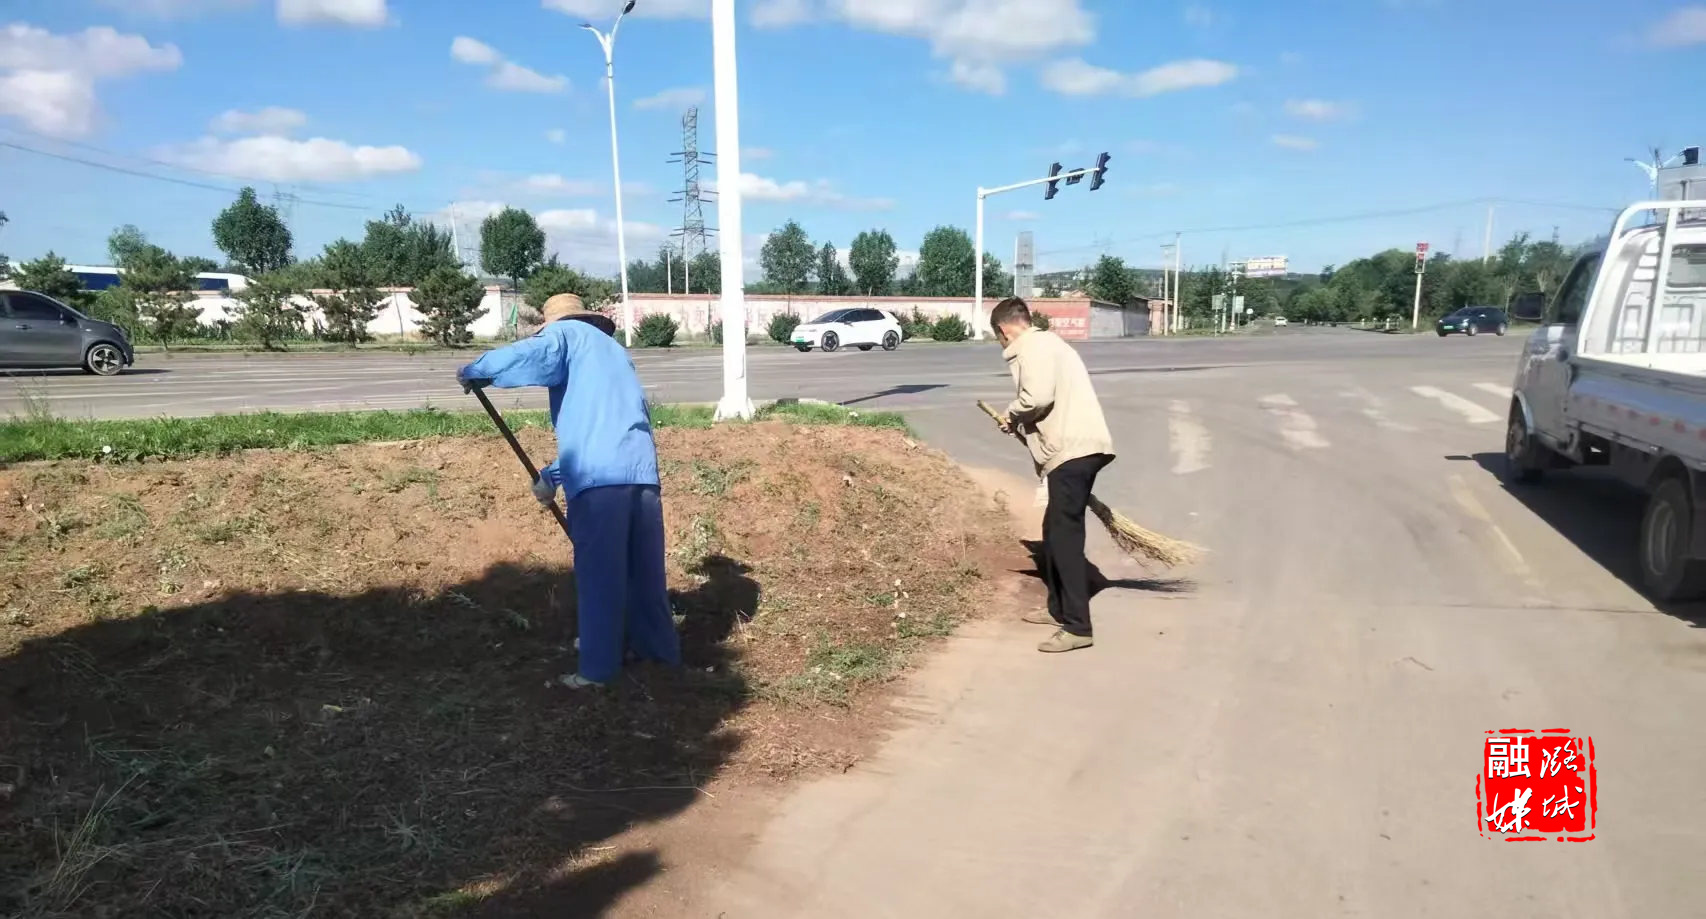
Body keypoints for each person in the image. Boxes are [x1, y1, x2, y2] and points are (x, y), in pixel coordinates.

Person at [456, 294, 680, 688]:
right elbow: (607, 428)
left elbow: (533, 354)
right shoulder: (614, 352)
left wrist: (478, 370)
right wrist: (552, 477)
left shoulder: (566, 335)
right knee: (644, 576)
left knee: (600, 578)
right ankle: (658, 654)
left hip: (597, 483)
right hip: (642, 476)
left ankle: (598, 670)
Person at [989, 296, 1115, 654]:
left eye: (999, 337)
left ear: (1004, 330)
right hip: (1080, 449)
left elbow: (1037, 397)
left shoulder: (1032, 347)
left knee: (1064, 539)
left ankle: (1078, 627)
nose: (1001, 344)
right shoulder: (1050, 344)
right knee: (1053, 531)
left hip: (1072, 451)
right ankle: (1058, 608)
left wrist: (1012, 414)